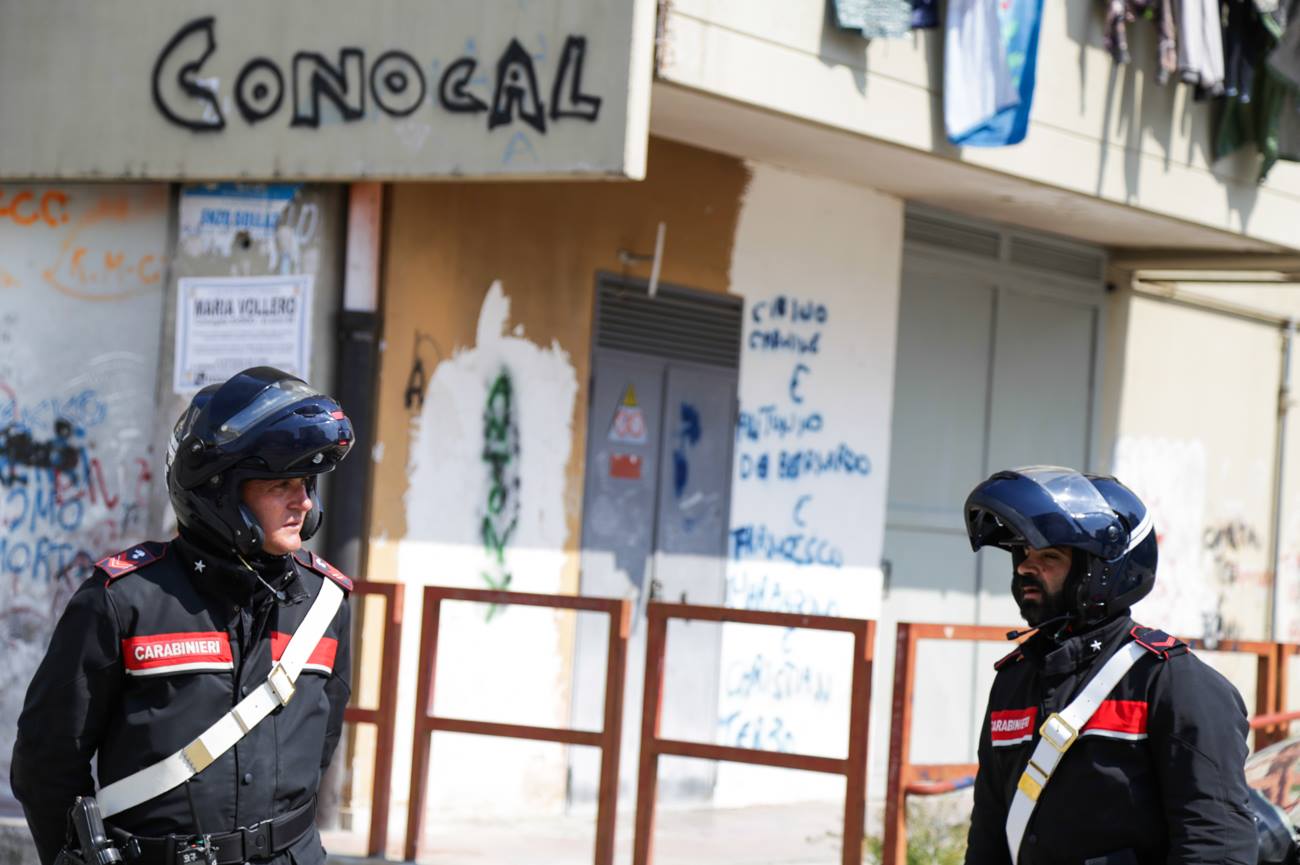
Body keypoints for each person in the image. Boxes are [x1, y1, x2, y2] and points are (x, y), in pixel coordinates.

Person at [11, 367, 355, 865]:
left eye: (305, 483)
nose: (302, 501)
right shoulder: (125, 600)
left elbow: (319, 748)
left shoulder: (326, 602)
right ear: (219, 492)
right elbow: (46, 761)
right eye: (280, 483)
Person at [962, 466, 1256, 865]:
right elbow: (988, 838)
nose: (1026, 567)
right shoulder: (1015, 680)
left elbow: (1215, 846)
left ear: (1101, 572)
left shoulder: (1172, 683)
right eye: (1023, 553)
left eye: (1049, 556)